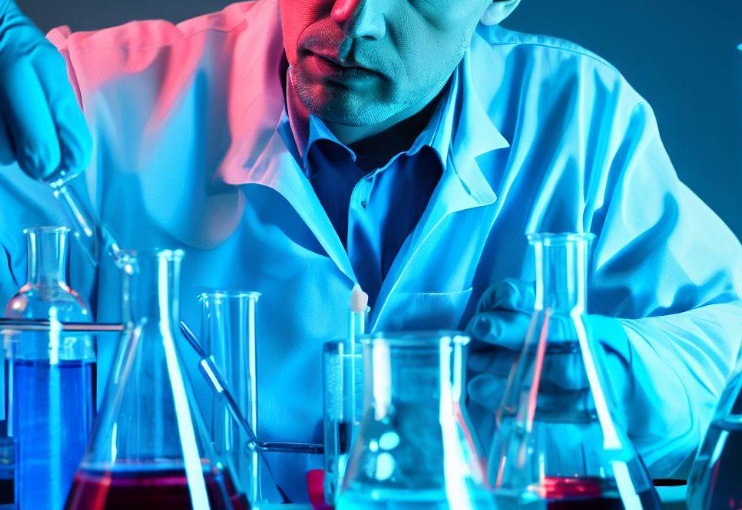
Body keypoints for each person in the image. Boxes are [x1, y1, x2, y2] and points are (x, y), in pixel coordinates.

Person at [0, 0, 740, 501]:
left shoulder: (578, 117)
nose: (355, 17)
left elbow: (730, 346)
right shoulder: (99, 95)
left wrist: (619, 372)